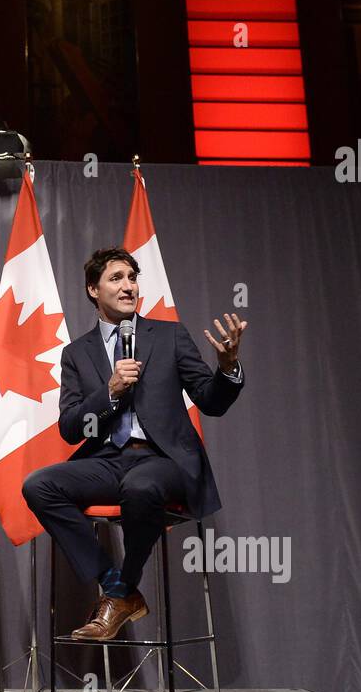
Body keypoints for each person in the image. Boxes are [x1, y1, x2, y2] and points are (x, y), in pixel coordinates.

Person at [22, 247, 247, 640]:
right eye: (116, 278)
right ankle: (118, 589)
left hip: (164, 460)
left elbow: (210, 401)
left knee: (140, 487)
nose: (128, 287)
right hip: (110, 459)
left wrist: (227, 369)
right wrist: (109, 393)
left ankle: (120, 593)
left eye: (132, 277)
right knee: (39, 485)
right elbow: (73, 428)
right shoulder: (77, 353)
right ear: (94, 289)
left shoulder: (169, 335)